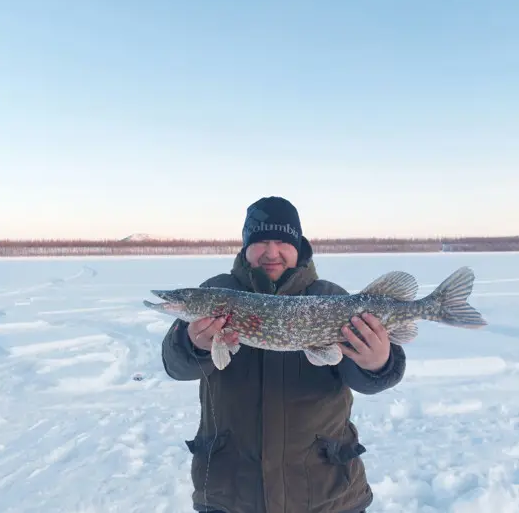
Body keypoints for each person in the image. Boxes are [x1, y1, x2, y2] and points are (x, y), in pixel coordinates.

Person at [161, 196, 407, 513]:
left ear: (298, 246)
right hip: (230, 492)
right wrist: (194, 345)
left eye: (282, 241)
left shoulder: (329, 298)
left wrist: (378, 364)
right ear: (245, 246)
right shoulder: (217, 291)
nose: (271, 252)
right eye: (261, 241)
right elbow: (176, 366)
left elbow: (367, 379)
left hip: (326, 492)